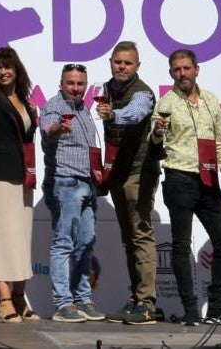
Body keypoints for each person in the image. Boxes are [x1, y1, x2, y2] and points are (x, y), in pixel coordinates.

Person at [153, 49, 221, 326]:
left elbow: (220, 140)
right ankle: (190, 310)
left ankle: (215, 308)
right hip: (179, 178)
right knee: (180, 246)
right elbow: (154, 141)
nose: (182, 74)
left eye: (186, 68)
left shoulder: (211, 99)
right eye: (177, 69)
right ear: (171, 74)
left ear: (196, 69)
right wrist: (157, 132)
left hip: (209, 178)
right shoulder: (165, 103)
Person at [96, 40, 161, 325]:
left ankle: (147, 303)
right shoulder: (105, 89)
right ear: (111, 62)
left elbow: (136, 112)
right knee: (128, 240)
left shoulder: (143, 93)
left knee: (140, 235)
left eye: (128, 63)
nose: (122, 67)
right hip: (117, 173)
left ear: (137, 66)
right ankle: (136, 299)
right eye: (118, 62)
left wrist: (114, 115)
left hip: (140, 171)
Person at [38, 63, 105, 323]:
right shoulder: (55, 106)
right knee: (64, 243)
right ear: (61, 84)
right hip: (65, 183)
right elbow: (48, 129)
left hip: (88, 183)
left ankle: (82, 299)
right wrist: (56, 129)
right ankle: (63, 304)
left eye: (80, 84)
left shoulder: (84, 108)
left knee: (86, 245)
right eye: (70, 83)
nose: (75, 88)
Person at [0, 46, 38, 323]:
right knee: (2, 238)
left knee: (21, 239)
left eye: (8, 67)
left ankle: (19, 296)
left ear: (17, 70)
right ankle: (3, 299)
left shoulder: (26, 102)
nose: (3, 72)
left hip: (24, 176)